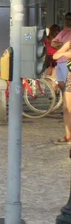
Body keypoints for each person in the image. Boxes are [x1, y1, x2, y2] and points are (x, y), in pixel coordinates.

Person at [51, 12, 71, 145]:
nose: (66, 21)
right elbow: (55, 54)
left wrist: (63, 48)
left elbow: (57, 53)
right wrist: (64, 47)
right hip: (69, 73)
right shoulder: (64, 33)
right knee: (66, 107)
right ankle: (68, 135)